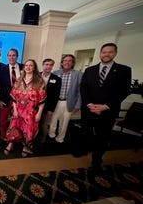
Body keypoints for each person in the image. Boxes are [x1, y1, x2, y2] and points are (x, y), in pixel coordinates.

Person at [80, 43, 131, 171]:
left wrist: (106, 106)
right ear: (100, 53)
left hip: (108, 111)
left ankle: (97, 159)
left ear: (115, 53)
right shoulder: (89, 70)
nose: (107, 54)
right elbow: (83, 88)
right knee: (86, 133)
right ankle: (85, 150)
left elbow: (124, 91)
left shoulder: (124, 70)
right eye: (104, 52)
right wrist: (89, 104)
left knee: (103, 137)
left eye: (110, 52)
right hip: (89, 110)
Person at [4, 59, 46, 157]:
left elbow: (42, 100)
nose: (28, 67)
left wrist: (39, 113)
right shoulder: (19, 80)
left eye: (31, 65)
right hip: (18, 110)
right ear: (24, 67)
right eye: (26, 65)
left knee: (29, 129)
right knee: (14, 126)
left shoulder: (39, 82)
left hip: (31, 112)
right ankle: (11, 144)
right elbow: (14, 96)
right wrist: (14, 110)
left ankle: (26, 146)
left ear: (34, 68)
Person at [48, 54, 83, 143]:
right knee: (53, 120)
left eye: (70, 61)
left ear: (73, 63)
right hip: (56, 102)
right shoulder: (55, 73)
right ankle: (51, 135)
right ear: (62, 62)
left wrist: (78, 105)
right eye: (65, 60)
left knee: (64, 123)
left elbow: (80, 91)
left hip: (69, 102)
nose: (67, 62)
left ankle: (60, 137)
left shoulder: (78, 74)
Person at [0, 48, 24, 141]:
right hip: (5, 100)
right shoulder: (2, 69)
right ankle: (3, 136)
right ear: (7, 57)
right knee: (3, 120)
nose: (12, 57)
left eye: (14, 55)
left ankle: (17, 137)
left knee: (18, 120)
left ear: (17, 56)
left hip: (20, 101)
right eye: (10, 55)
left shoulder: (23, 67)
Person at [37, 58, 61, 147]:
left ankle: (43, 138)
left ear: (52, 66)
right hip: (35, 105)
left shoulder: (57, 79)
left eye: (50, 65)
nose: (48, 66)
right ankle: (34, 137)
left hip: (48, 106)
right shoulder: (37, 76)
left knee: (44, 124)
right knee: (35, 123)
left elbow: (56, 96)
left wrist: (51, 109)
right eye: (46, 64)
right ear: (43, 65)